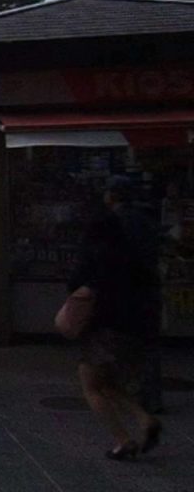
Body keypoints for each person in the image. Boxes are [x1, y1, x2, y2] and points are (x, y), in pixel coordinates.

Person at [70, 188, 163, 460]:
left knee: (90, 385)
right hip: (134, 326)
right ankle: (145, 419)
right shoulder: (129, 253)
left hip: (103, 329)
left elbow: (76, 283)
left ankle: (123, 441)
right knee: (107, 383)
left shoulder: (95, 254)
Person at [105, 176, 164, 415]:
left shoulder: (113, 222)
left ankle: (127, 394)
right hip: (148, 290)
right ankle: (151, 397)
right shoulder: (146, 219)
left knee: (120, 346)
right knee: (148, 346)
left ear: (114, 195)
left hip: (123, 293)